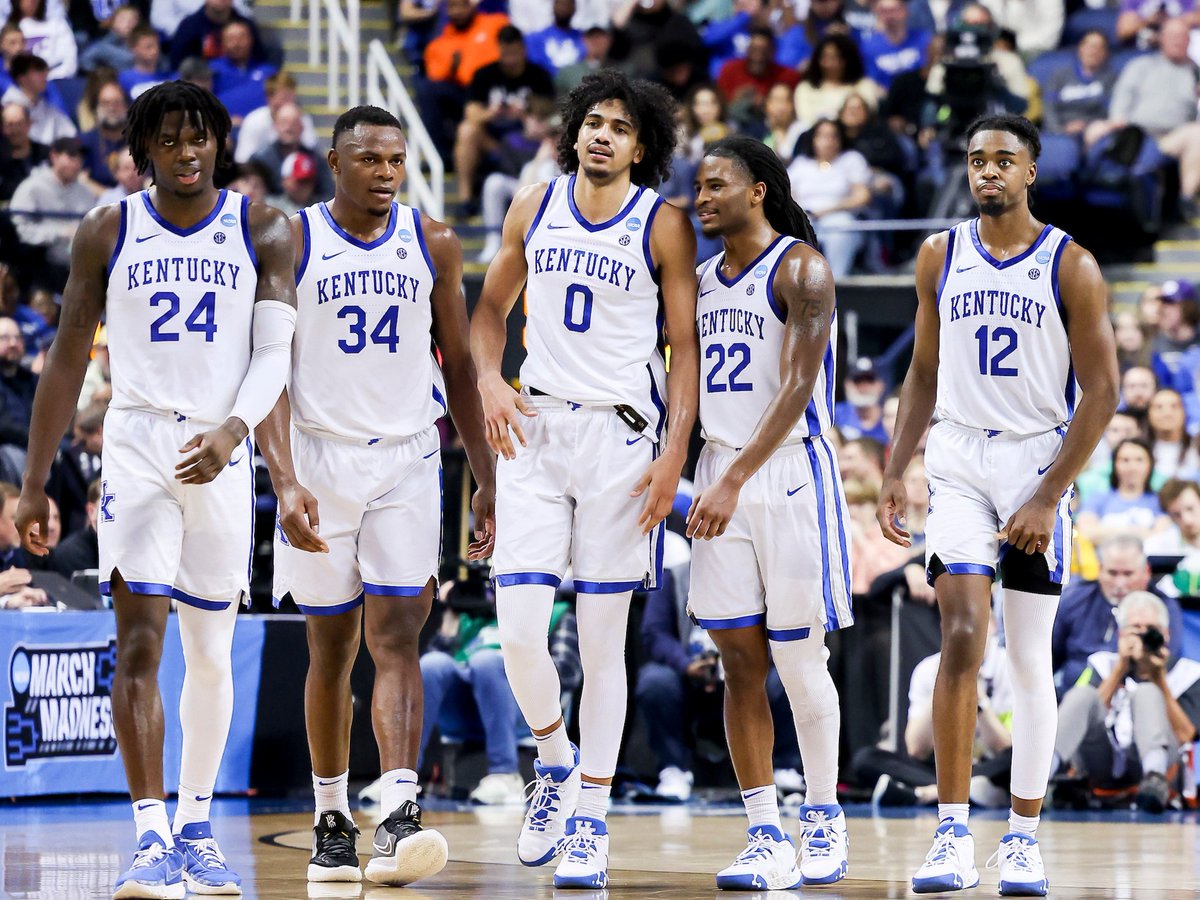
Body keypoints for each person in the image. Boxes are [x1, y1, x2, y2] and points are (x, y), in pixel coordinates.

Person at [15, 80, 296, 897]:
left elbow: (274, 354)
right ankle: (149, 835)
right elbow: (68, 356)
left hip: (222, 447)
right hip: (137, 443)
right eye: (169, 140)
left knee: (210, 652)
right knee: (138, 643)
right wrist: (35, 483)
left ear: (219, 143)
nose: (186, 152)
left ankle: (199, 828)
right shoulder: (109, 225)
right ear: (145, 150)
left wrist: (233, 433)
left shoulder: (261, 225)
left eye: (198, 137)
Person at [876, 114, 1119, 896]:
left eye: (1003, 160)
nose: (988, 171)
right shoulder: (938, 255)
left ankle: (1021, 837)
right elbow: (921, 369)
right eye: (977, 159)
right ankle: (950, 832)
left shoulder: (1071, 265)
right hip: (957, 461)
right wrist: (893, 468)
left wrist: (1049, 495)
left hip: (1034, 462)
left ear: (1031, 172)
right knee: (961, 632)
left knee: (1026, 662)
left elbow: (1104, 392)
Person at [256, 104, 495, 886]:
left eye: (396, 160)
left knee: (399, 637)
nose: (387, 173)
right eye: (370, 160)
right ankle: (331, 818)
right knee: (332, 648)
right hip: (320, 460)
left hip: (407, 458)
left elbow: (459, 367)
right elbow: (268, 369)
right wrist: (285, 477)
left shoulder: (435, 242)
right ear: (334, 161)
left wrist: (486, 475)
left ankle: (398, 811)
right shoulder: (291, 239)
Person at [470, 69, 698, 889]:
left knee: (604, 645)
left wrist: (676, 453)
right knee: (520, 629)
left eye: (619, 128)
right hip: (534, 426)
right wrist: (493, 381)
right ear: (574, 131)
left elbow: (685, 349)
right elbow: (488, 310)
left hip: (622, 440)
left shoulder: (663, 224)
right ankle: (555, 763)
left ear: (644, 148)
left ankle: (591, 819)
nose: (601, 135)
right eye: (592, 122)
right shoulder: (532, 203)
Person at [686, 135, 851, 889]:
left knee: (797, 655)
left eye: (717, 184)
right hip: (719, 472)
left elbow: (796, 389)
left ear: (757, 191)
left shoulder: (802, 269)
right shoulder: (696, 280)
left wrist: (732, 480)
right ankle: (764, 831)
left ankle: (822, 816)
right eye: (698, 185)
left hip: (787, 478)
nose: (703, 196)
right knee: (737, 663)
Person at [1052, 591, 1200, 813]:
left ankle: (1154, 781)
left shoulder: (1187, 672)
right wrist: (1119, 669)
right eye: (1135, 629)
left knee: (1147, 692)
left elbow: (1186, 735)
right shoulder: (1104, 665)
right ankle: (1040, 778)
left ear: (1166, 634)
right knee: (1082, 695)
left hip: (1156, 762)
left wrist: (1159, 679)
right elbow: (1085, 717)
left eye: (1151, 629)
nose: (1143, 636)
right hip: (1102, 760)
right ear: (1121, 635)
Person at [1053, 535, 1184, 693]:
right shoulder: (1075, 598)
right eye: (1112, 573)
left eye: (1128, 574)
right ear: (1100, 570)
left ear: (1146, 572)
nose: (1119, 583)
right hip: (1071, 695)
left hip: (1134, 695)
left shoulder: (1163, 607)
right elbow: (1049, 656)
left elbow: (1168, 664)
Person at [787, 119, 871, 279]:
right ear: (813, 139)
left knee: (841, 227)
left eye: (833, 136)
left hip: (840, 216)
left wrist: (827, 210)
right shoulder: (801, 164)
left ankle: (837, 282)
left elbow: (862, 196)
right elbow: (786, 194)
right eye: (823, 136)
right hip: (806, 217)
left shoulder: (851, 159)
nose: (828, 141)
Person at [1076, 438, 1168, 544]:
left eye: (1139, 460)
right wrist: (1135, 532)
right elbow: (1085, 532)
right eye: (1125, 460)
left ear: (1150, 465)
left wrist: (1106, 532)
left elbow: (1161, 537)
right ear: (1114, 464)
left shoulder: (1159, 501)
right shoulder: (1098, 498)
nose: (1132, 467)